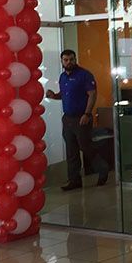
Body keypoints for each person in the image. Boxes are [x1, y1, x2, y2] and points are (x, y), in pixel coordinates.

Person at [46, 50, 105, 190]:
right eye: (65, 60)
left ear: (75, 59)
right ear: (61, 61)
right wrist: (53, 96)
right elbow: (64, 95)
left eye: (71, 59)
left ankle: (102, 169)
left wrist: (87, 114)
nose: (69, 62)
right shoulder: (62, 77)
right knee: (71, 151)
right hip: (68, 119)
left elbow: (92, 95)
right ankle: (74, 181)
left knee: (85, 146)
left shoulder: (84, 75)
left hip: (82, 117)